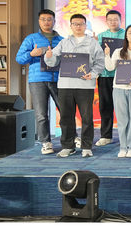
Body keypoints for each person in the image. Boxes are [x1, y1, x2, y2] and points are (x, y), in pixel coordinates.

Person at [44, 14, 105, 158]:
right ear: (70, 26)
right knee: (66, 117)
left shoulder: (92, 43)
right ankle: (67, 146)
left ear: (85, 26)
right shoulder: (64, 42)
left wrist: (93, 73)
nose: (78, 26)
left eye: (81, 24)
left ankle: (86, 146)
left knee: (87, 118)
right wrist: (48, 56)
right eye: (75, 24)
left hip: (85, 85)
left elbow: (100, 62)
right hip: (66, 85)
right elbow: (52, 62)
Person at [15, 9, 63, 154]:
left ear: (54, 21)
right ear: (39, 21)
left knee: (65, 110)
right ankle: (46, 142)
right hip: (38, 80)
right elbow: (19, 58)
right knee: (41, 114)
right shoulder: (31, 39)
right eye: (43, 19)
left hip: (59, 79)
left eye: (49, 19)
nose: (46, 22)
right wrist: (32, 53)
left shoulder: (62, 40)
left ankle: (69, 138)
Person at [105, 24, 131, 157]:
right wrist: (107, 55)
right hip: (119, 89)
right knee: (122, 120)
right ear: (126, 36)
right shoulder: (118, 52)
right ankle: (123, 147)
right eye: (130, 33)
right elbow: (110, 67)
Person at [97, 10, 125, 146]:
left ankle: (126, 136)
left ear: (120, 20)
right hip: (105, 75)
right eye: (110, 19)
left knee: (124, 107)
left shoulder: (126, 34)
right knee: (105, 106)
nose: (113, 22)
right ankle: (106, 136)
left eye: (116, 19)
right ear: (106, 21)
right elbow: (96, 56)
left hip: (123, 75)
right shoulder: (100, 36)